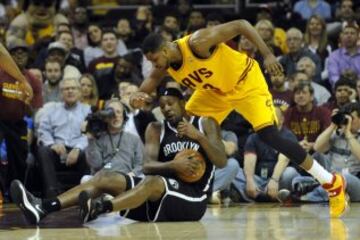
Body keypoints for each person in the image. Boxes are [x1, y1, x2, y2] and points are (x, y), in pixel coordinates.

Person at [131, 19, 347, 217]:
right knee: (181, 125)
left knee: (270, 136)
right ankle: (177, 187)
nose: (154, 65)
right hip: (215, 92)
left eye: (155, 59)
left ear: (166, 49)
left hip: (246, 83)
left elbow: (241, 25)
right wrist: (137, 95)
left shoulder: (198, 42)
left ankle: (331, 182)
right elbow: (150, 80)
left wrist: (268, 54)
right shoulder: (164, 64)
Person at [10, 87, 227, 224]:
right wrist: (173, 164)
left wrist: (199, 137)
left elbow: (221, 160)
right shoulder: (155, 129)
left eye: (171, 104)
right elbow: (148, 165)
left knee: (153, 182)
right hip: (157, 195)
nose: (167, 109)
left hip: (193, 199)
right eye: (162, 106)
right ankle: (43, 207)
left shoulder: (205, 123)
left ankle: (100, 208)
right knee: (105, 177)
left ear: (183, 104)